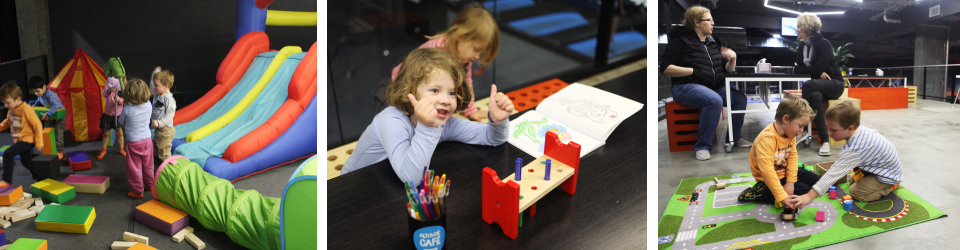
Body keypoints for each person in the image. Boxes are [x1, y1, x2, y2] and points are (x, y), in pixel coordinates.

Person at [342, 48, 514, 184]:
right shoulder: (391, 121)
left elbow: (492, 138)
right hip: (353, 188)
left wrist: (498, 122)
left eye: (452, 93)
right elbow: (411, 179)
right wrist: (427, 128)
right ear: (409, 92)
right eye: (434, 90)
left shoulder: (446, 123)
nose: (446, 100)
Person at [661, 5, 750, 161]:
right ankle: (703, 146)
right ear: (696, 22)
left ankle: (734, 138)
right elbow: (666, 68)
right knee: (713, 100)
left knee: (739, 99)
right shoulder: (680, 41)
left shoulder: (714, 43)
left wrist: (732, 58)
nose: (712, 23)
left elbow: (727, 70)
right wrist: (693, 71)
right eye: (709, 20)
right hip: (686, 86)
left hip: (714, 86)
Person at [391, 4, 500, 122]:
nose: (477, 56)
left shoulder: (463, 56)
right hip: (400, 84)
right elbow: (424, 88)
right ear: (462, 36)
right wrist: (447, 117)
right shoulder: (435, 51)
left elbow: (465, 83)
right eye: (476, 49)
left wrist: (471, 110)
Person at [788, 100, 902, 209]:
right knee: (852, 179)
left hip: (888, 176)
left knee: (855, 192)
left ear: (850, 129)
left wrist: (809, 196)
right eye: (828, 128)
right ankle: (873, 180)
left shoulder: (855, 149)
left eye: (833, 130)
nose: (828, 133)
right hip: (877, 168)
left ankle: (889, 187)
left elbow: (833, 174)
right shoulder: (859, 131)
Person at [737, 96, 820, 209]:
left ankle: (790, 184)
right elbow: (767, 171)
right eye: (800, 126)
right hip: (768, 177)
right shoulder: (767, 138)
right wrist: (782, 196)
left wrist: (790, 182)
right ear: (786, 119)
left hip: (783, 170)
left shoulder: (790, 133)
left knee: (817, 182)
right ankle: (760, 192)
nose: (802, 131)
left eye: (804, 127)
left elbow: (792, 159)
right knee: (803, 190)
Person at [793, 13, 846, 156]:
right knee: (815, 96)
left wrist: (802, 68)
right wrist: (816, 72)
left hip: (834, 83)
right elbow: (809, 71)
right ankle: (825, 141)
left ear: (806, 28)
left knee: (808, 85)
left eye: (798, 26)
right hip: (819, 85)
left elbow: (805, 69)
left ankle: (801, 128)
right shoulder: (801, 47)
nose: (796, 29)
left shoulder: (824, 44)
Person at [0, 82, 45, 187]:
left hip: (28, 139)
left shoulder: (26, 109)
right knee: (26, 161)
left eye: (8, 102)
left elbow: (37, 125)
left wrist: (39, 142)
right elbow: (7, 122)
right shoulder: (11, 109)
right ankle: (42, 179)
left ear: (17, 98)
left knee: (8, 153)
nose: (6, 106)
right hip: (20, 139)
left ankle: (6, 180)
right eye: (4, 103)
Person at [118, 79, 154, 199]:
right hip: (147, 140)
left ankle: (138, 191)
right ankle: (149, 185)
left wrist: (125, 107)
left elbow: (120, 121)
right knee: (148, 165)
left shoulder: (127, 109)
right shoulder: (148, 104)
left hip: (134, 142)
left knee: (134, 167)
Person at [29, 76, 65, 160]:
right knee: (47, 131)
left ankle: (60, 151)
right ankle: (49, 149)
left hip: (59, 116)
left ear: (44, 87)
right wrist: (34, 105)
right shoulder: (41, 95)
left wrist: (48, 114)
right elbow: (39, 100)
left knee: (58, 134)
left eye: (38, 91)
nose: (37, 94)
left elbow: (56, 105)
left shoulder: (50, 95)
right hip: (50, 116)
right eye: (34, 92)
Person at [150, 69, 176, 161]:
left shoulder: (169, 100)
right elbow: (151, 85)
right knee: (156, 151)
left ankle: (169, 169)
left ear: (166, 86)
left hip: (165, 133)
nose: (154, 87)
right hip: (158, 131)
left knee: (165, 154)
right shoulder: (158, 94)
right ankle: (158, 169)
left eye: (156, 85)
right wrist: (155, 72)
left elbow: (169, 115)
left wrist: (159, 123)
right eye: (154, 85)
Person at [97, 77, 126, 159]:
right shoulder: (107, 87)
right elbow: (104, 95)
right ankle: (103, 150)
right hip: (108, 115)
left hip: (118, 115)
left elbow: (126, 101)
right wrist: (108, 91)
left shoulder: (121, 89)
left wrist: (119, 100)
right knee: (106, 134)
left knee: (120, 133)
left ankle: (121, 149)